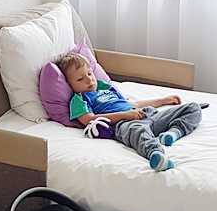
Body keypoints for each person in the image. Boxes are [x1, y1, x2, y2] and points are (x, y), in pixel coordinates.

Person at [56, 52, 202, 172]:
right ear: (69, 84)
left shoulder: (105, 88)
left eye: (90, 73)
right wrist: (125, 115)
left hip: (145, 114)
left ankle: (174, 133)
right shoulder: (79, 99)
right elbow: (89, 119)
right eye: (80, 79)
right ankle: (156, 154)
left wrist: (163, 100)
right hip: (124, 123)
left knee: (193, 108)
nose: (89, 80)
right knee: (138, 132)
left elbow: (134, 104)